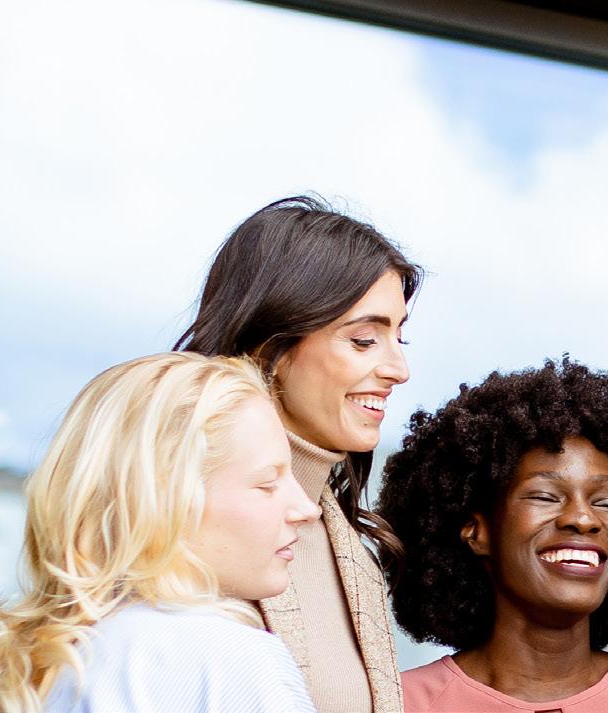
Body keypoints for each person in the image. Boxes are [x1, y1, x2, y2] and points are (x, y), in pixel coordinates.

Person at [0, 352, 320, 712]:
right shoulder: (230, 660)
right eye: (267, 484)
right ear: (167, 499)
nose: (307, 508)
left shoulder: (14, 673)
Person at [175, 195, 420, 712]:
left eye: (400, 337)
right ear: (272, 346)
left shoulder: (353, 553)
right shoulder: (178, 531)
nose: (398, 370)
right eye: (364, 340)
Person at [376, 358, 608, 712]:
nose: (583, 519)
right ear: (476, 530)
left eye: (606, 502)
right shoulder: (396, 703)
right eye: (545, 496)